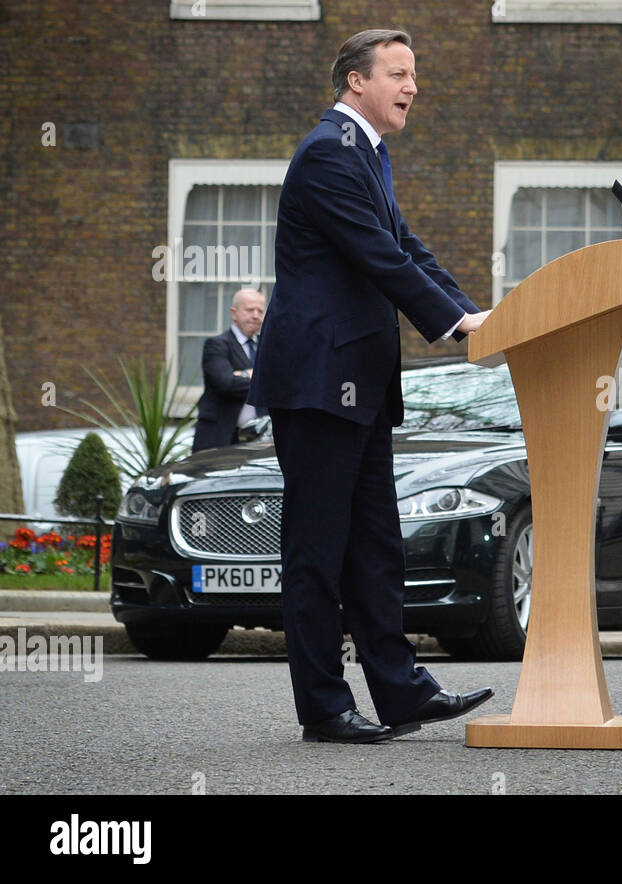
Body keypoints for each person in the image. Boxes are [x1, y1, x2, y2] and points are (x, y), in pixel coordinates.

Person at [248, 28, 493, 744]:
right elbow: (382, 259)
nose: (412, 86)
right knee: (317, 554)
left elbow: (409, 248)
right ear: (357, 81)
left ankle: (401, 690)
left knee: (375, 548)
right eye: (398, 73)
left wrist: (481, 317)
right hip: (321, 383)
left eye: (414, 73)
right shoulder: (329, 152)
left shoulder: (368, 156)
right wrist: (454, 324)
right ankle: (323, 707)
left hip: (356, 382)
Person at [192, 288, 267, 453]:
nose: (255, 315)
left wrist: (244, 374)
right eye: (249, 310)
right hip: (220, 437)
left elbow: (279, 382)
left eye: (260, 311)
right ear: (234, 313)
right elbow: (225, 383)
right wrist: (262, 378)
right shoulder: (217, 345)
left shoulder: (267, 347)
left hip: (260, 439)